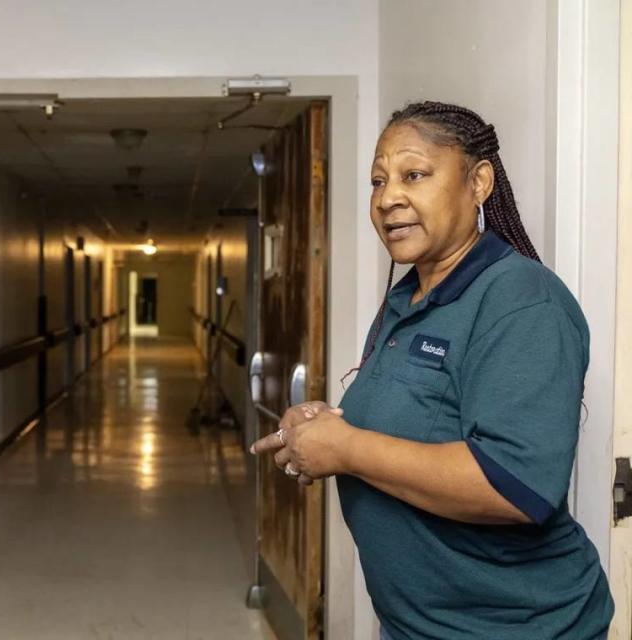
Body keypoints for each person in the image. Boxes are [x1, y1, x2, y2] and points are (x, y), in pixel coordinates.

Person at [250, 101, 614, 639]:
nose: (388, 197)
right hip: (417, 625)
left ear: (479, 182)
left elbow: (516, 486)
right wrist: (325, 427)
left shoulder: (523, 301)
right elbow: (421, 424)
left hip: (514, 628)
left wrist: (346, 448)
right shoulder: (409, 297)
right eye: (377, 181)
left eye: (414, 174)